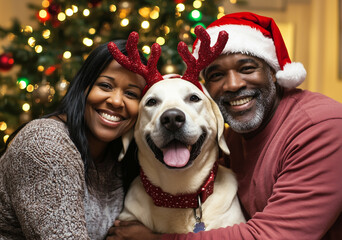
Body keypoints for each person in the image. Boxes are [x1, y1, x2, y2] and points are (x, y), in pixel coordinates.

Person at [106, 12, 342, 240]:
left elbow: (277, 236)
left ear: (272, 71)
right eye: (217, 75)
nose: (233, 84)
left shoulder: (322, 127)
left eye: (247, 68)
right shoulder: (232, 137)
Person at [0, 40, 147, 239]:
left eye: (131, 94)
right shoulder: (46, 143)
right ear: (83, 87)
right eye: (105, 86)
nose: (116, 101)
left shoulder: (119, 156)